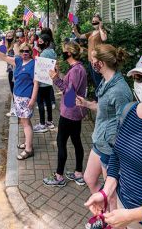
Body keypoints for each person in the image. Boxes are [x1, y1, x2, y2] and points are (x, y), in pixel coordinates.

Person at [85, 53, 142, 229]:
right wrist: (106, 192)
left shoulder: (119, 90)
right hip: (124, 208)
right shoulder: (129, 111)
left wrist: (132, 215)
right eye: (139, 78)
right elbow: (117, 154)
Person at [76, 44, 133, 212]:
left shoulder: (120, 90)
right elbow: (104, 108)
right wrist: (87, 104)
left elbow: (123, 124)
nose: (90, 61)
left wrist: (114, 148)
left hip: (110, 148)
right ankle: (104, 214)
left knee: (111, 193)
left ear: (100, 63)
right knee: (89, 178)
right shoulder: (106, 81)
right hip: (99, 142)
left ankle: (111, 221)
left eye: (93, 59)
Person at [43, 41, 87, 187]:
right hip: (76, 112)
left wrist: (55, 78)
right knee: (76, 141)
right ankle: (78, 173)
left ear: (68, 53)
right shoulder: (79, 68)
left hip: (69, 111)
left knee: (61, 142)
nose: (62, 53)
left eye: (63, 51)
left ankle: (59, 176)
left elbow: (69, 93)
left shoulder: (75, 70)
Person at [0, 41, 39, 160]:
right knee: (24, 121)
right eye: (22, 51)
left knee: (25, 123)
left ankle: (29, 150)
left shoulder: (33, 64)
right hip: (17, 96)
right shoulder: (18, 61)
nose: (25, 53)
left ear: (30, 52)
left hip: (26, 98)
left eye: (27, 51)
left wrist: (33, 99)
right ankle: (28, 143)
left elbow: (36, 83)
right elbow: (4, 57)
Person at [73, 13, 107, 89]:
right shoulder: (91, 33)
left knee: (98, 80)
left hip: (97, 60)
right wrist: (75, 29)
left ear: (100, 22)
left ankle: (100, 98)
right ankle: (98, 97)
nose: (94, 22)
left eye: (96, 21)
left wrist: (101, 28)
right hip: (90, 60)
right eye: (93, 21)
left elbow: (104, 39)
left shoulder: (102, 32)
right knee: (95, 80)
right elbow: (79, 36)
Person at [33, 34, 57, 133]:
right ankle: (50, 122)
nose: (39, 43)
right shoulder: (52, 51)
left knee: (40, 102)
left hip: (42, 82)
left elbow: (40, 69)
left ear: (46, 42)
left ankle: (42, 124)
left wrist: (36, 82)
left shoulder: (43, 54)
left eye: (41, 41)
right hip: (49, 81)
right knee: (48, 101)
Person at [5, 30, 17, 117]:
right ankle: (15, 109)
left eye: (10, 36)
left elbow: (17, 58)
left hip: (14, 70)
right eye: (7, 36)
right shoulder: (8, 46)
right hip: (10, 70)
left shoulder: (15, 45)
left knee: (14, 91)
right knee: (13, 90)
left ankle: (14, 110)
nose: (8, 38)